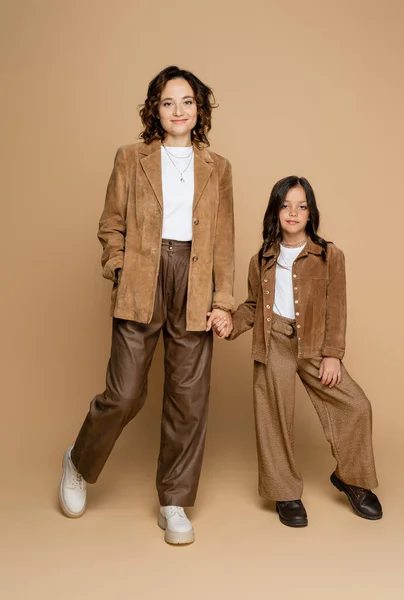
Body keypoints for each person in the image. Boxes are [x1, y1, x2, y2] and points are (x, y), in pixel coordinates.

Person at [59, 66, 235, 545]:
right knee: (125, 392)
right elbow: (110, 223)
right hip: (142, 277)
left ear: (199, 110)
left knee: (188, 398)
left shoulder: (218, 168)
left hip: (195, 279)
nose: (178, 110)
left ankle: (174, 501)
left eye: (187, 102)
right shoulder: (130, 158)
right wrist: (120, 268)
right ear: (154, 111)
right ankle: (78, 460)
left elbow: (222, 241)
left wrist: (222, 301)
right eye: (167, 102)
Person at [212, 176, 382, 527]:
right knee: (273, 417)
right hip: (273, 340)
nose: (293, 212)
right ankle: (285, 492)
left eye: (301, 206)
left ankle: (353, 480)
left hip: (315, 345)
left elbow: (337, 307)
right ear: (276, 210)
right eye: (286, 205)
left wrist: (332, 353)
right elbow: (252, 306)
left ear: (310, 213)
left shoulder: (329, 256)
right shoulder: (261, 259)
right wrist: (230, 322)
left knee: (356, 405)